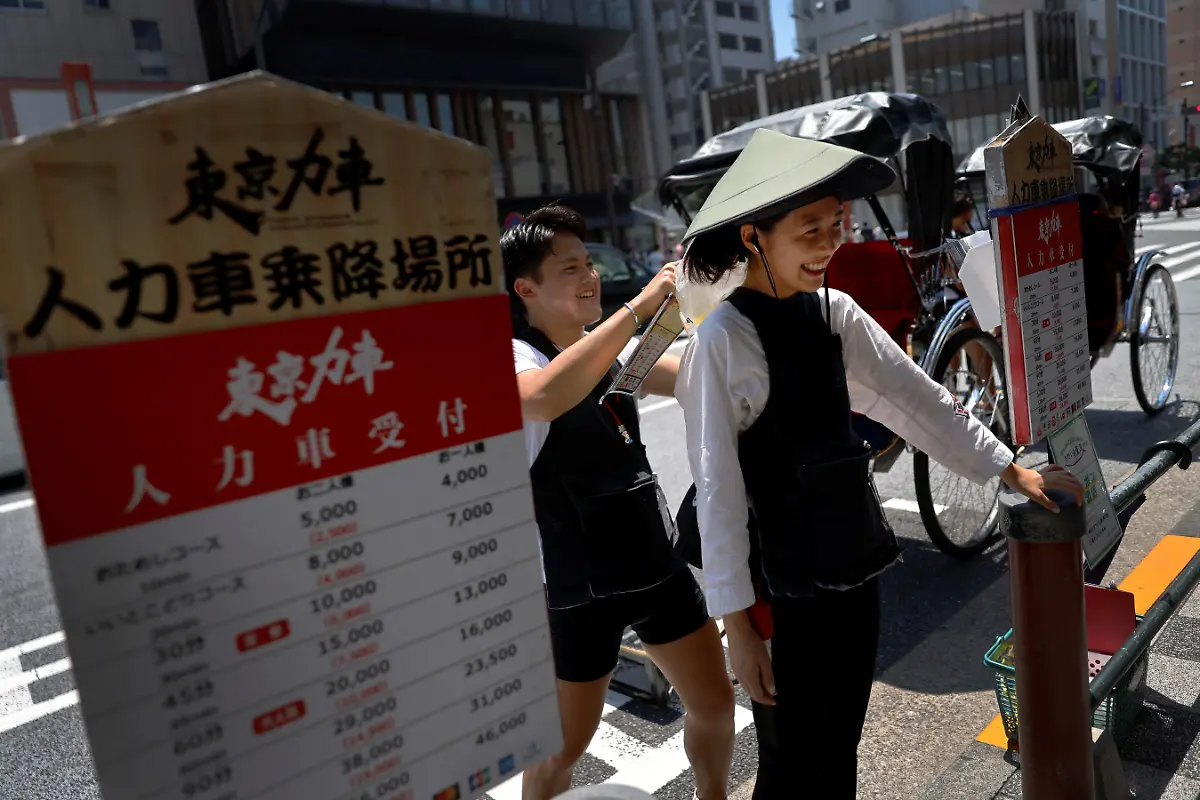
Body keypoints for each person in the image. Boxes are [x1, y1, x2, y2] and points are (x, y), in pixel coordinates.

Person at [671, 130, 1085, 798]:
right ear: (753, 237)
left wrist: (1008, 468)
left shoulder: (833, 313)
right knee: (788, 762)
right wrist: (737, 625)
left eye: (835, 225)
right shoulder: (723, 339)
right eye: (810, 230)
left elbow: (915, 399)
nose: (830, 243)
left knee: (841, 747)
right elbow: (717, 489)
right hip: (779, 592)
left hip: (853, 566)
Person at [502, 205, 735, 800]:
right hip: (577, 587)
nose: (590, 277)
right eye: (570, 268)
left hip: (653, 564)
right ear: (524, 288)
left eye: (590, 263)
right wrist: (637, 308)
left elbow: (691, 376)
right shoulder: (516, 357)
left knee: (714, 704)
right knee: (563, 749)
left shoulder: (598, 348)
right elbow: (543, 397)